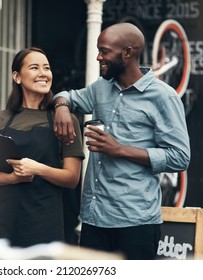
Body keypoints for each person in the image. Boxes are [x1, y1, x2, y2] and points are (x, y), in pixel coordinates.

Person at [52, 22, 191, 260]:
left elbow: (180, 157)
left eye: (104, 51)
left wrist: (119, 150)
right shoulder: (100, 89)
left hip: (135, 223)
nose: (98, 57)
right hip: (94, 219)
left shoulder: (164, 97)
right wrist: (62, 107)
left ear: (127, 53)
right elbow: (67, 96)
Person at [0, 47, 85, 248]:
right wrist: (12, 178)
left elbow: (72, 178)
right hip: (1, 221)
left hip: (43, 223)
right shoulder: (0, 120)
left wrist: (37, 169)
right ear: (17, 77)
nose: (43, 74)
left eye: (47, 68)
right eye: (34, 68)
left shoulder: (65, 121)